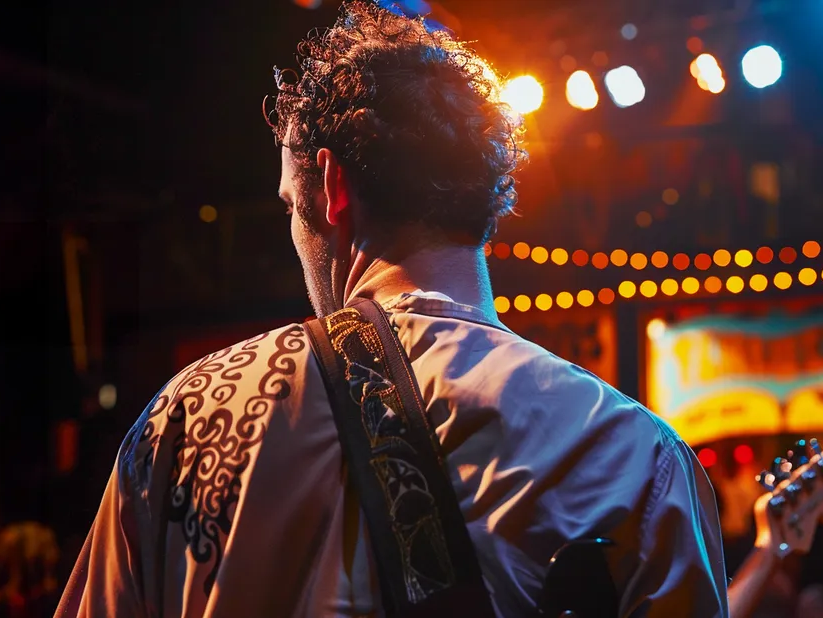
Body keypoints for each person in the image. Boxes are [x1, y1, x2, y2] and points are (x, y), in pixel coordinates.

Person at [54, 2, 728, 616]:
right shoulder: (636, 457)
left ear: (332, 188)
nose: (292, 228)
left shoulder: (191, 412)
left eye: (291, 205)